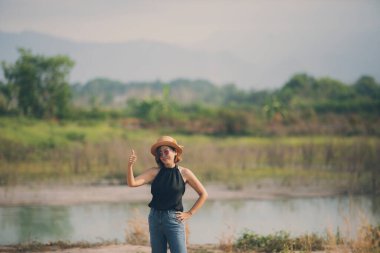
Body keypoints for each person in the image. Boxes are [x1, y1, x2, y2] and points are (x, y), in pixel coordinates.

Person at [126, 136, 208, 253]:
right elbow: (132, 183)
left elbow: (203, 194)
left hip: (173, 219)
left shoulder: (185, 173)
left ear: (175, 152)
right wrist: (130, 166)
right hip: (154, 218)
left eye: (166, 151)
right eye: (160, 153)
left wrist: (189, 213)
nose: (163, 155)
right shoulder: (154, 172)